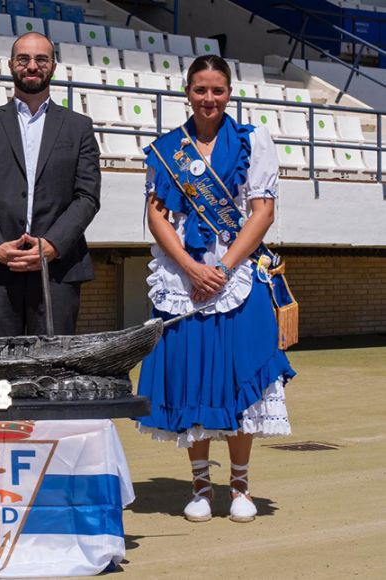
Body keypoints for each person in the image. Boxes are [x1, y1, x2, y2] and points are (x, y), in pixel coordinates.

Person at [135, 55, 296, 523]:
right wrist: (189, 268)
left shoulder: (252, 141)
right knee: (194, 379)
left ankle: (241, 486)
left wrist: (222, 269)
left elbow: (262, 213)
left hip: (236, 277)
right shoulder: (168, 149)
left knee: (238, 376)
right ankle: (201, 486)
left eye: (218, 90)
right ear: (187, 91)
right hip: (182, 281)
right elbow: (156, 216)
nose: (209, 99)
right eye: (201, 90)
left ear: (230, 93)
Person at [0, 32, 101, 337]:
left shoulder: (79, 127)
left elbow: (87, 196)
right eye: (23, 59)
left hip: (58, 271)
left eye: (41, 59)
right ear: (11, 65)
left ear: (53, 66)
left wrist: (53, 245)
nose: (32, 66)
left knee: (53, 373)